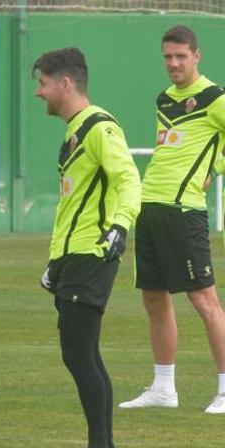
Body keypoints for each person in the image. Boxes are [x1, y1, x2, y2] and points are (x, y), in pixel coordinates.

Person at [33, 47, 140, 448]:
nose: (39, 92)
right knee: (80, 352)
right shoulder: (75, 129)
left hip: (93, 253)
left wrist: (119, 225)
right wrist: (54, 261)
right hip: (72, 256)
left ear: (65, 83)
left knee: (80, 353)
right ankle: (101, 447)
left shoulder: (99, 127)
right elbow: (74, 203)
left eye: (42, 83)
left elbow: (129, 179)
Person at [119, 25, 225, 414]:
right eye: (168, 57)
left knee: (204, 300)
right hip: (152, 209)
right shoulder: (164, 99)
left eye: (181, 56)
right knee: (153, 298)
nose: (174, 63)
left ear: (197, 56)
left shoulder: (215, 98)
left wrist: (216, 165)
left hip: (185, 212)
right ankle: (164, 388)